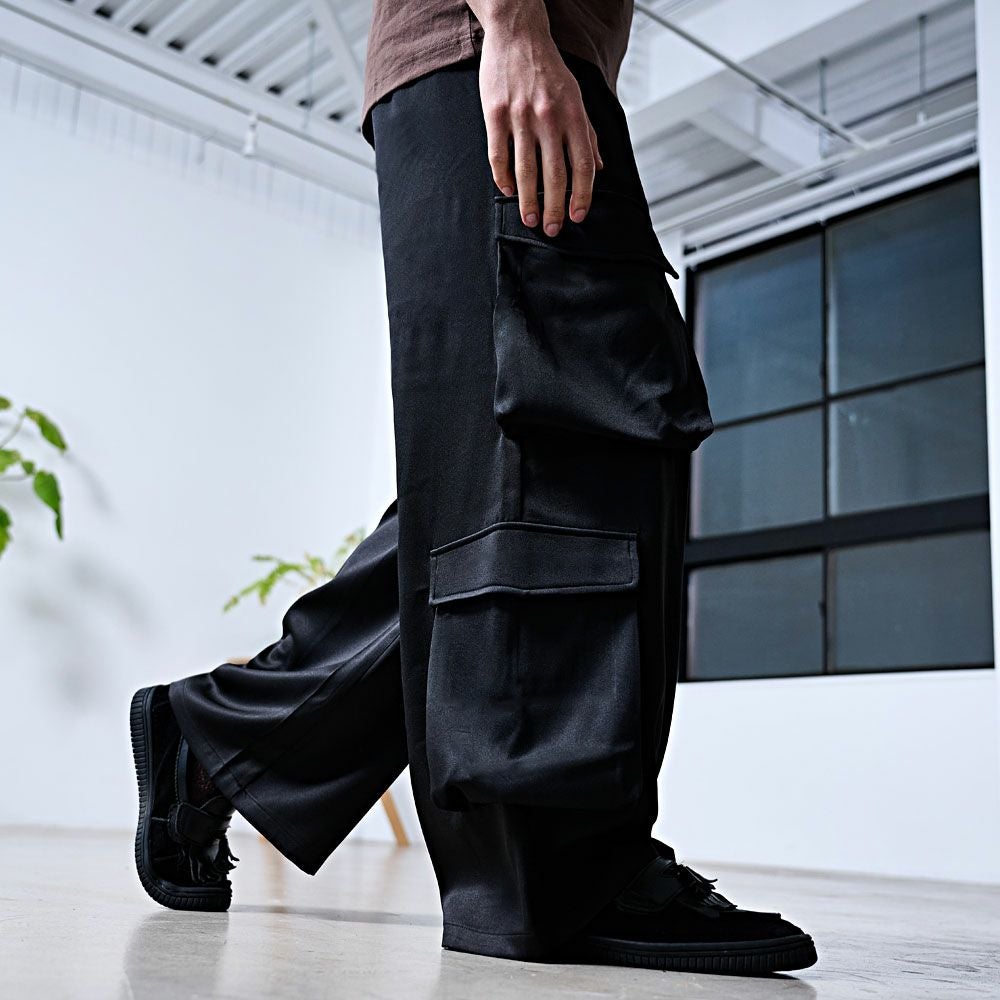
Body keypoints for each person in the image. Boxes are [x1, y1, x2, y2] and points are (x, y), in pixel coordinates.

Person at [129, 0, 817, 975]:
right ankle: (554, 868)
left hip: (497, 61)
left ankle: (225, 742)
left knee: (503, 468)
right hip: (493, 49)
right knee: (573, 437)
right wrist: (516, 32)